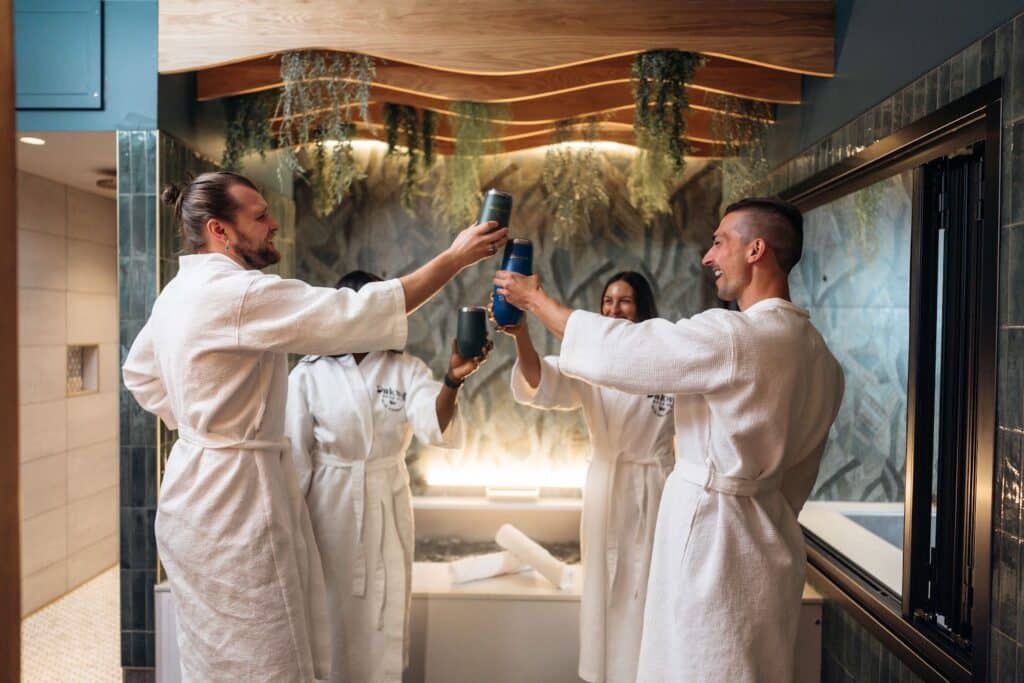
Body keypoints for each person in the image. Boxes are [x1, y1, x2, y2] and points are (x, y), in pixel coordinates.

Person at [122, 171, 507, 682]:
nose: (273, 224)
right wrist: (456, 257)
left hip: (190, 492)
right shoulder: (237, 293)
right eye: (259, 217)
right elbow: (355, 314)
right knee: (267, 660)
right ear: (220, 230)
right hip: (235, 500)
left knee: (214, 655)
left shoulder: (180, 291)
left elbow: (141, 375)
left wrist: (202, 426)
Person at [494, 197, 844, 682]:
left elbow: (628, 349)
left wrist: (535, 299)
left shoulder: (735, 337)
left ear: (755, 250)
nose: (708, 256)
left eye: (720, 242)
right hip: (769, 544)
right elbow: (797, 480)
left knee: (696, 665)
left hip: (711, 546)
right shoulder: (822, 359)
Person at [285, 270, 491, 683]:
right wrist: (290, 530)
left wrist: (452, 380)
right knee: (327, 611)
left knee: (383, 606)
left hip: (384, 501)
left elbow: (433, 424)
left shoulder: (406, 370)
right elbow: (293, 459)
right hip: (329, 508)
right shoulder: (308, 374)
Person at [497, 270, 674, 683]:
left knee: (650, 588)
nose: (613, 309)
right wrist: (521, 334)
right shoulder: (590, 363)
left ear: (642, 308)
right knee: (602, 585)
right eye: (607, 301)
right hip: (606, 485)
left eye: (624, 301)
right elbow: (539, 379)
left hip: (656, 486)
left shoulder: (666, 357)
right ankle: (602, 674)